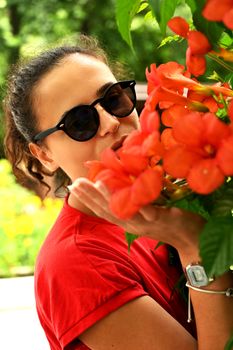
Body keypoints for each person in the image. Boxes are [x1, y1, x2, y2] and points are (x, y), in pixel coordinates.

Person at [4, 35, 232, 350]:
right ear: (44, 154)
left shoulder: (172, 190)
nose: (111, 123)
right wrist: (194, 245)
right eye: (79, 121)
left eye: (113, 99)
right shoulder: (75, 263)